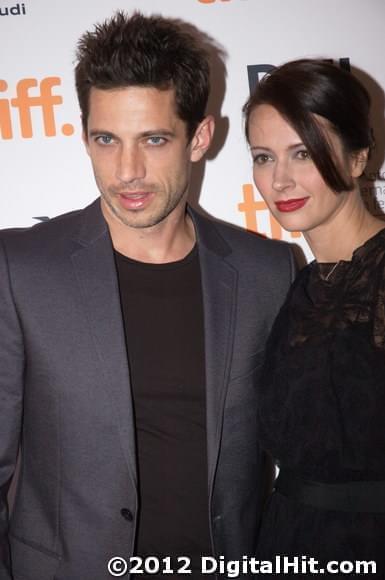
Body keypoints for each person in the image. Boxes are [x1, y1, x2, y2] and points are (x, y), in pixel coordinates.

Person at [0, 12, 294, 580]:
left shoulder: (267, 272)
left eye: (154, 140)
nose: (126, 171)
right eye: (106, 140)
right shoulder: (20, 270)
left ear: (200, 138)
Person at [244, 59, 385, 575]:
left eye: (302, 153)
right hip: (286, 546)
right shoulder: (297, 288)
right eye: (263, 157)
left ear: (357, 158)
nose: (280, 179)